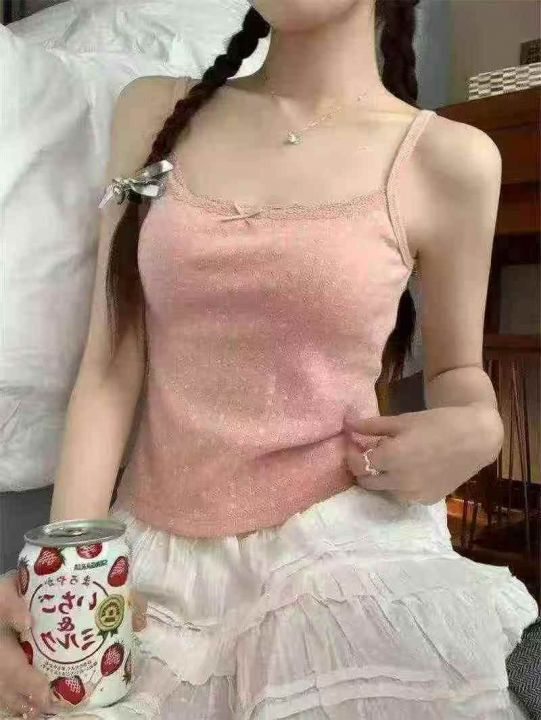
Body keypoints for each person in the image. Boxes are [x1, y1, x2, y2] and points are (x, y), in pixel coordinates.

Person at [0, 1, 538, 718]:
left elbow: (456, 373)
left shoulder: (449, 157)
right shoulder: (153, 112)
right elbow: (108, 368)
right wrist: (66, 576)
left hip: (341, 552)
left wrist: (480, 425)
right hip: (149, 566)